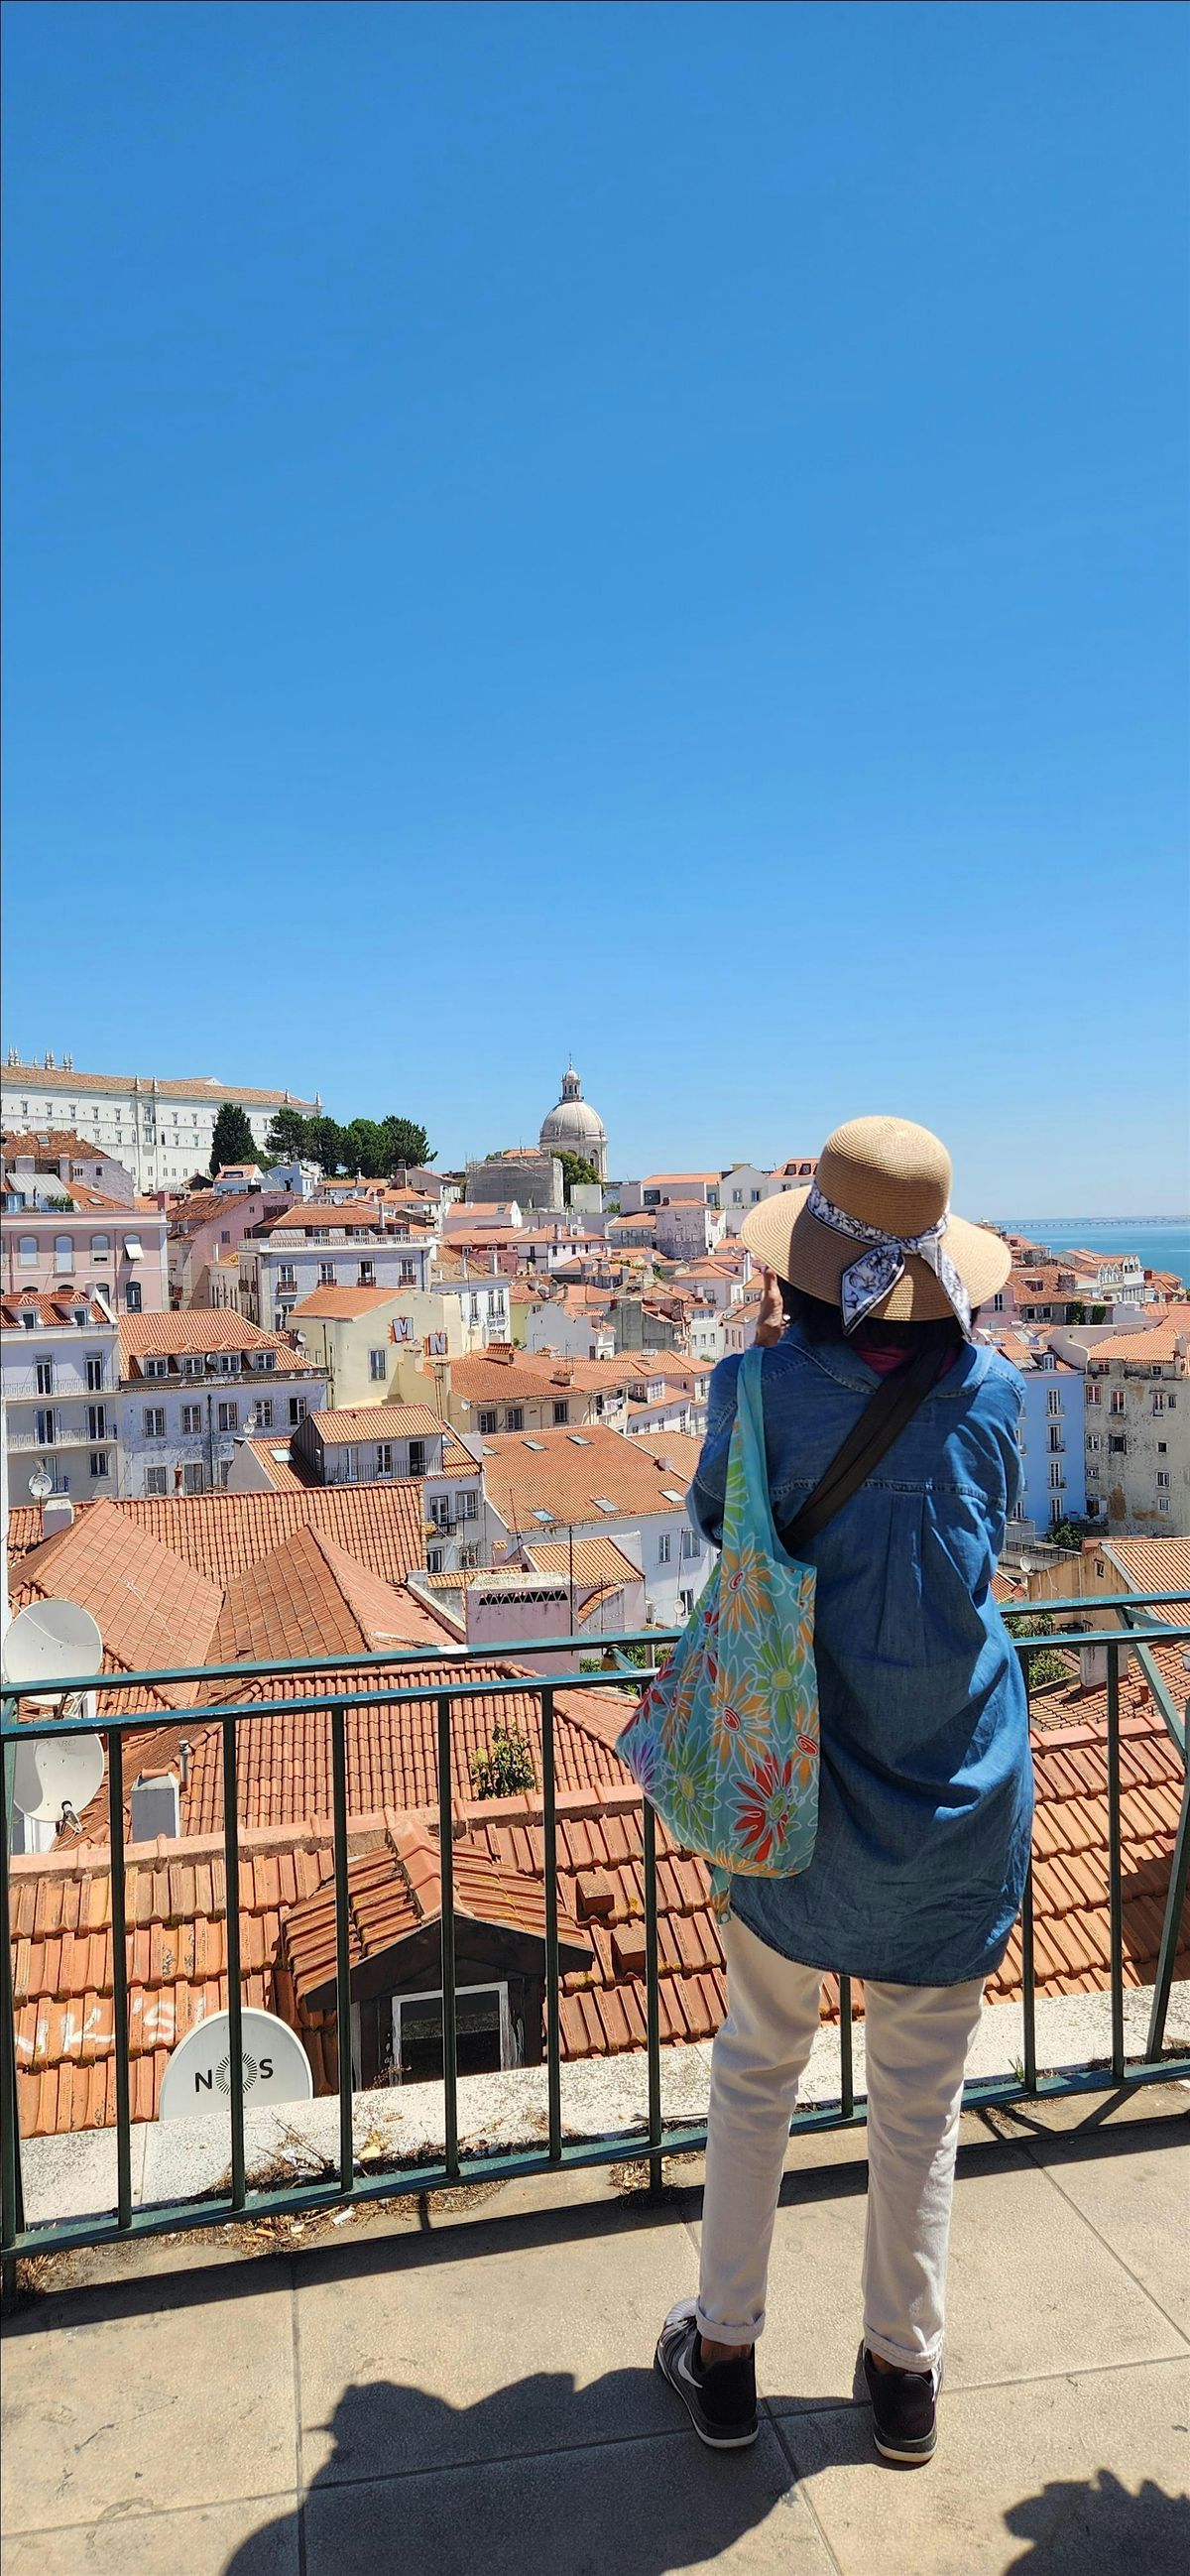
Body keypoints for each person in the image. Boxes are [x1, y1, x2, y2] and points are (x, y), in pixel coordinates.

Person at [654, 1114, 1031, 2467]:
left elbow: (720, 1523)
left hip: (794, 1780)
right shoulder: (995, 1391)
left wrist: (774, 1396)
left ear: (803, 1264)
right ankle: (903, 2375)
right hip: (958, 1782)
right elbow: (983, 1533)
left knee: (757, 2070)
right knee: (921, 2104)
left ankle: (726, 2357)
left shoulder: (754, 1387)